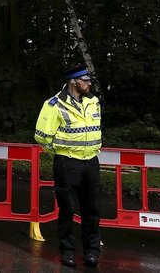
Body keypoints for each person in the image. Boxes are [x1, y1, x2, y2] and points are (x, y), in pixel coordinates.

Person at [35, 65, 102, 268]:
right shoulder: (54, 104)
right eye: (85, 80)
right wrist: (59, 152)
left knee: (92, 209)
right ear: (73, 82)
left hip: (91, 161)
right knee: (68, 209)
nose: (89, 83)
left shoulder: (93, 101)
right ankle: (68, 252)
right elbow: (41, 136)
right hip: (67, 162)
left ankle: (92, 252)